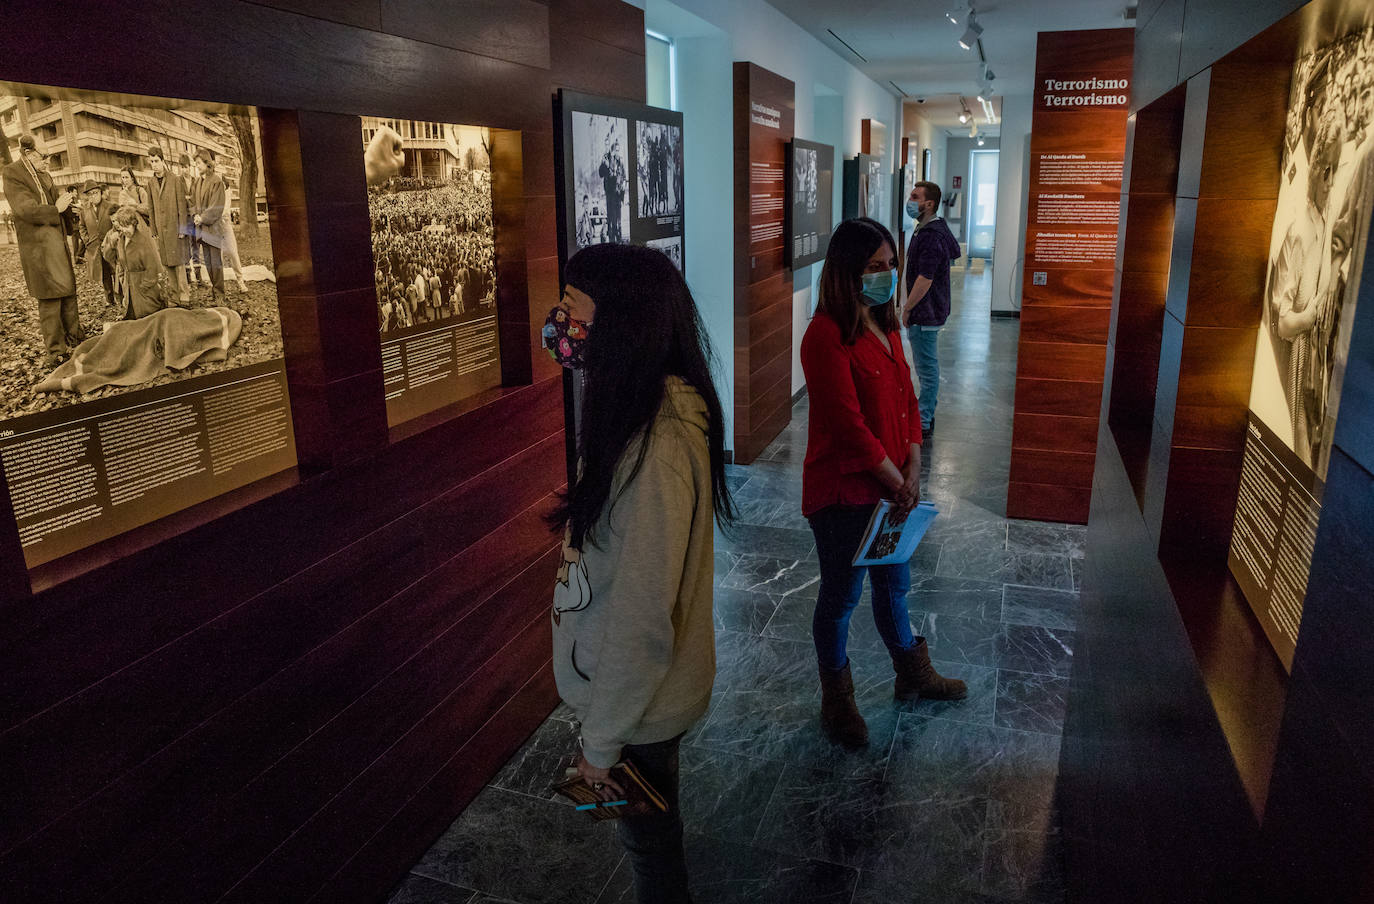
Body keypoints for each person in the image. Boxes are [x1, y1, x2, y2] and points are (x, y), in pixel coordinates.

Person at [549, 243, 735, 903]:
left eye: (572, 309)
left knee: (652, 854)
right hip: (633, 695)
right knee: (650, 837)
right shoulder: (635, 409)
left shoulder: (658, 446)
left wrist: (600, 745)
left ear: (620, 324)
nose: (559, 324)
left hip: (640, 703)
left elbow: (641, 618)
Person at [801, 217, 966, 749]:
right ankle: (837, 698)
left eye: (891, 265)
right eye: (875, 267)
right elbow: (849, 428)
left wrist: (913, 465)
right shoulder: (824, 336)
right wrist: (899, 482)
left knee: (895, 585)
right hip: (846, 493)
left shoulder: (887, 324)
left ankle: (911, 673)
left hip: (893, 491)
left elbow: (909, 401)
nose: (887, 275)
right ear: (847, 272)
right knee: (842, 595)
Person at [2, 135, 85, 367]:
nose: (48, 161)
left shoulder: (45, 175)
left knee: (68, 293)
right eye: (44, 156)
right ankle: (56, 351)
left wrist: (70, 211)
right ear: (28, 153)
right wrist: (55, 209)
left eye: (49, 156)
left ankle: (75, 338)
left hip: (57, 246)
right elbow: (25, 209)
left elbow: (58, 207)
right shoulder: (12, 173)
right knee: (49, 299)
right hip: (38, 250)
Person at [900, 181, 961, 435]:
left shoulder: (931, 237)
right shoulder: (926, 229)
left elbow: (925, 279)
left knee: (926, 368)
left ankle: (924, 420)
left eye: (915, 197)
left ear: (929, 204)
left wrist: (907, 308)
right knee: (927, 365)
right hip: (929, 311)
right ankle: (926, 413)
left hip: (925, 312)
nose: (910, 201)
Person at [102, 206, 168, 320]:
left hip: (145, 292)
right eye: (121, 226)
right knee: (133, 319)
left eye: (127, 226)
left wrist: (143, 287)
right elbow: (108, 257)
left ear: (134, 224)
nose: (124, 230)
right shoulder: (120, 240)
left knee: (148, 319)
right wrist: (111, 244)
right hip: (129, 289)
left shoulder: (143, 241)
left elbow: (152, 270)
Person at [146, 146, 191, 303]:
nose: (154, 164)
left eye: (156, 161)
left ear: (162, 161)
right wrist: (153, 229)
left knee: (178, 262)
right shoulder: (150, 183)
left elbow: (182, 206)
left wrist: (183, 228)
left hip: (174, 227)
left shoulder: (175, 179)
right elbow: (150, 207)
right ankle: (173, 295)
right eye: (151, 161)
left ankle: (184, 293)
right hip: (161, 230)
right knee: (166, 263)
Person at [190, 148, 227, 304]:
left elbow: (217, 207)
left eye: (199, 163)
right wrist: (194, 216)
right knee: (209, 264)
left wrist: (202, 218)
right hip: (202, 230)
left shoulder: (217, 181)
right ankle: (215, 291)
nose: (197, 166)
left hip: (213, 229)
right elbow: (192, 202)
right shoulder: (198, 182)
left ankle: (220, 294)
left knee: (216, 264)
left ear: (206, 162)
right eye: (196, 163)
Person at [77, 180, 117, 309]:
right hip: (95, 247)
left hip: (111, 246)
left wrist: (113, 239)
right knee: (104, 274)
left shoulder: (110, 206)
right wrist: (87, 240)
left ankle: (120, 296)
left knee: (116, 270)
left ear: (100, 192)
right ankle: (109, 299)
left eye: (95, 193)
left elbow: (117, 223)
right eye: (90, 194)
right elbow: (82, 226)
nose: (93, 196)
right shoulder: (85, 210)